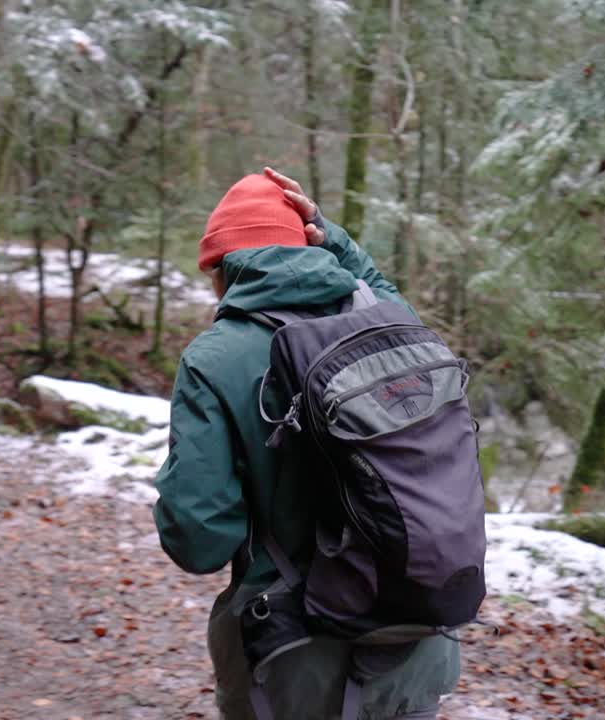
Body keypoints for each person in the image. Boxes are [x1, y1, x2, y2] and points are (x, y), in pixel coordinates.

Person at [153, 168, 459, 719]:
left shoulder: (215, 358)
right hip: (416, 642)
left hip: (293, 659)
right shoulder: (389, 326)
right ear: (308, 251)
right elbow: (377, 285)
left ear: (222, 269)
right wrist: (331, 235)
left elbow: (197, 540)